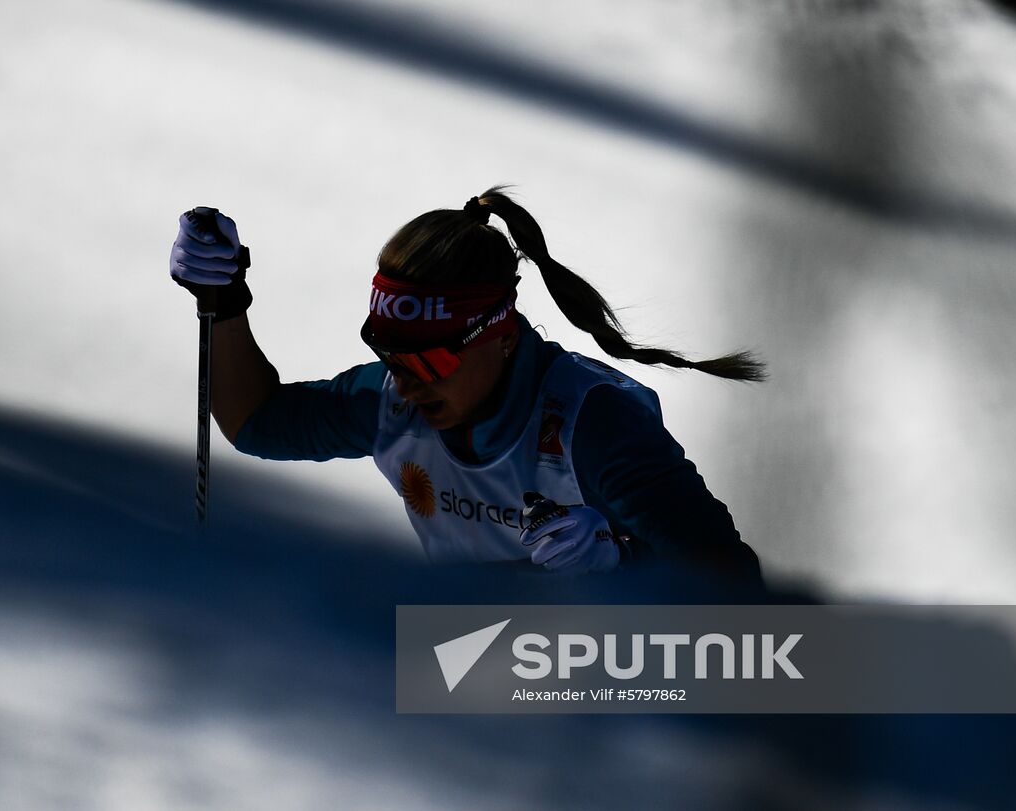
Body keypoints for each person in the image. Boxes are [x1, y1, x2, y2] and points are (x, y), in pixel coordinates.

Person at [170, 186, 763, 582]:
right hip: (474, 685)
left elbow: (738, 596)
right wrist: (223, 306)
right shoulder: (391, 402)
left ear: (501, 335)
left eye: (429, 363)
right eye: (390, 357)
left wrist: (623, 566)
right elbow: (256, 422)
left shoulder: (594, 424)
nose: (404, 387)